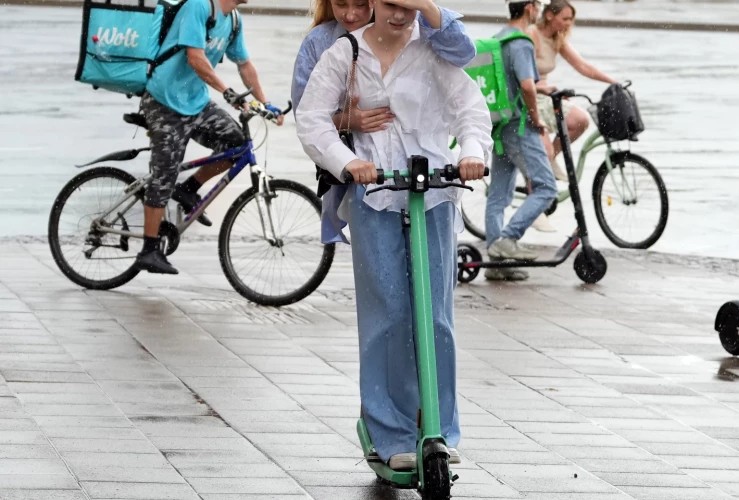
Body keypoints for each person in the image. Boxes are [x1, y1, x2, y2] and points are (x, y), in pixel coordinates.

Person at [295, 0, 491, 471]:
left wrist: (470, 151)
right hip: (374, 193)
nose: (400, 16)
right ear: (374, 5)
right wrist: (348, 162)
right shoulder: (345, 54)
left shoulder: (435, 53)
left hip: (435, 194)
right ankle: (391, 431)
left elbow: (471, 111)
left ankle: (438, 427)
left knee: (436, 316)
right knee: (387, 314)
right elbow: (311, 118)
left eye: (409, 7)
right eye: (390, 6)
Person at [291, 0, 476, 246]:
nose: (351, 14)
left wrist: (426, 7)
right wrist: (347, 121)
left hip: (428, 176)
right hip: (365, 173)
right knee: (377, 269)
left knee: (434, 274)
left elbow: (462, 57)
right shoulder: (323, 43)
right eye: (341, 5)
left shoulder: (412, 29)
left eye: (359, 5)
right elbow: (307, 112)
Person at [135, 0, 284, 275]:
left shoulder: (234, 20)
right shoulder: (199, 6)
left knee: (237, 146)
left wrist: (265, 104)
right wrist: (227, 92)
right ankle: (148, 249)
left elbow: (245, 64)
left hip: (196, 103)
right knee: (164, 174)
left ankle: (188, 188)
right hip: (163, 101)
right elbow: (195, 57)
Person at [483, 0, 557, 281]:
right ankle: (509, 238)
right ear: (529, 8)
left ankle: (496, 263)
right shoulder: (522, 42)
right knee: (546, 187)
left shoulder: (497, 40)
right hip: (520, 125)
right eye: (538, 4)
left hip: (499, 124)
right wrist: (537, 117)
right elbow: (527, 85)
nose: (538, 9)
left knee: (499, 195)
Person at [527, 0, 616, 180]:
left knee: (581, 120)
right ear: (550, 15)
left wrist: (613, 82)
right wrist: (541, 88)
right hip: (530, 94)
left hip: (546, 94)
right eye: (565, 18)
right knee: (542, 153)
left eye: (571, 19)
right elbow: (522, 74)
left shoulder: (556, 38)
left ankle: (551, 158)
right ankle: (539, 179)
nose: (568, 23)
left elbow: (583, 66)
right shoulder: (532, 35)